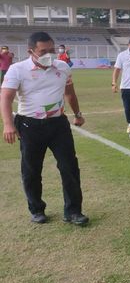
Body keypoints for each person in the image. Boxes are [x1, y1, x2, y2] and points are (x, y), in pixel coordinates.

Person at [0, 31, 88, 225]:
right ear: (30, 51)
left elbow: (70, 94)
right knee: (31, 170)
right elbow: (5, 98)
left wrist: (78, 114)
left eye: (52, 50)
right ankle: (37, 209)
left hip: (58, 124)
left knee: (69, 167)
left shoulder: (63, 67)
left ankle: (73, 211)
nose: (49, 54)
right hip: (29, 125)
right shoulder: (17, 70)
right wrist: (8, 124)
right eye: (43, 51)